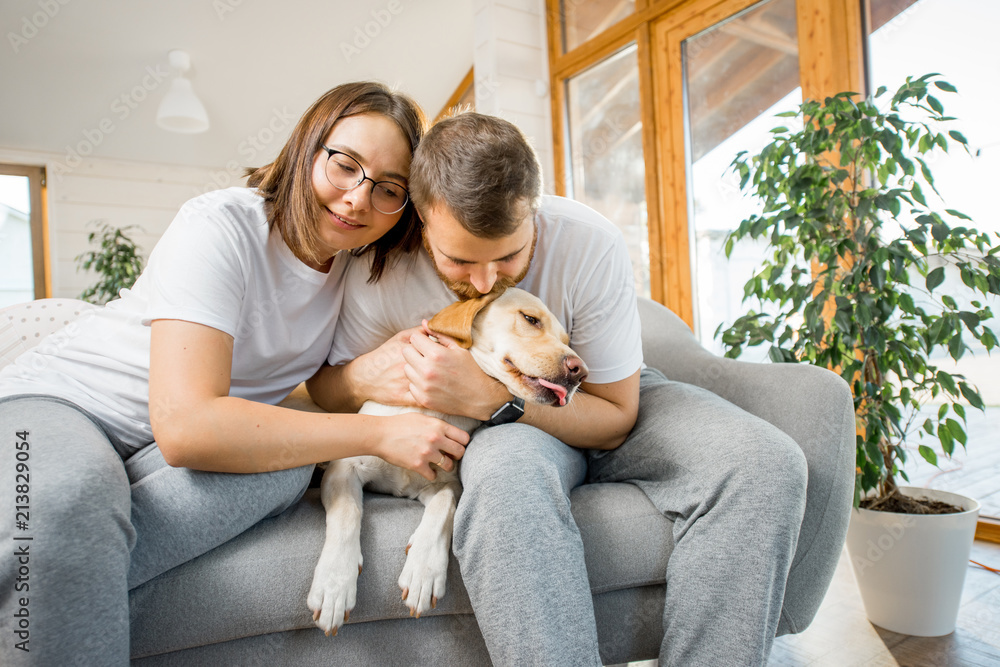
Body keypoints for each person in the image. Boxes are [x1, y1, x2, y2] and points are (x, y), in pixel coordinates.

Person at [308, 112, 809, 666]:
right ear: (423, 218)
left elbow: (617, 413)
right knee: (507, 482)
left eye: (510, 256)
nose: (485, 281)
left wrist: (487, 397)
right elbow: (330, 395)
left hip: (598, 403)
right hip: (504, 438)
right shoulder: (380, 265)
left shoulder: (588, 241)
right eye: (459, 260)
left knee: (766, 464)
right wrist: (371, 372)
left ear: (534, 214)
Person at [0, 81, 470, 666]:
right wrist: (377, 435)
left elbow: (330, 381)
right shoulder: (220, 225)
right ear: (306, 148)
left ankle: (38, 567)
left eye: (388, 189)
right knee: (69, 502)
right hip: (68, 405)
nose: (356, 200)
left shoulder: (356, 268)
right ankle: (51, 551)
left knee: (284, 472)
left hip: (166, 451)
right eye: (345, 166)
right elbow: (188, 426)